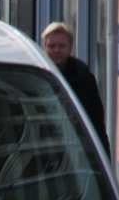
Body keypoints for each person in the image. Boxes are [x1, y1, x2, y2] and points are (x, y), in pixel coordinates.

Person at [42, 22, 109, 156]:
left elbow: (96, 123)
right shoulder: (35, 75)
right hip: (44, 148)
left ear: (70, 48)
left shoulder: (83, 77)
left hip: (77, 151)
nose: (56, 50)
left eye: (62, 46)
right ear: (44, 48)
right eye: (51, 46)